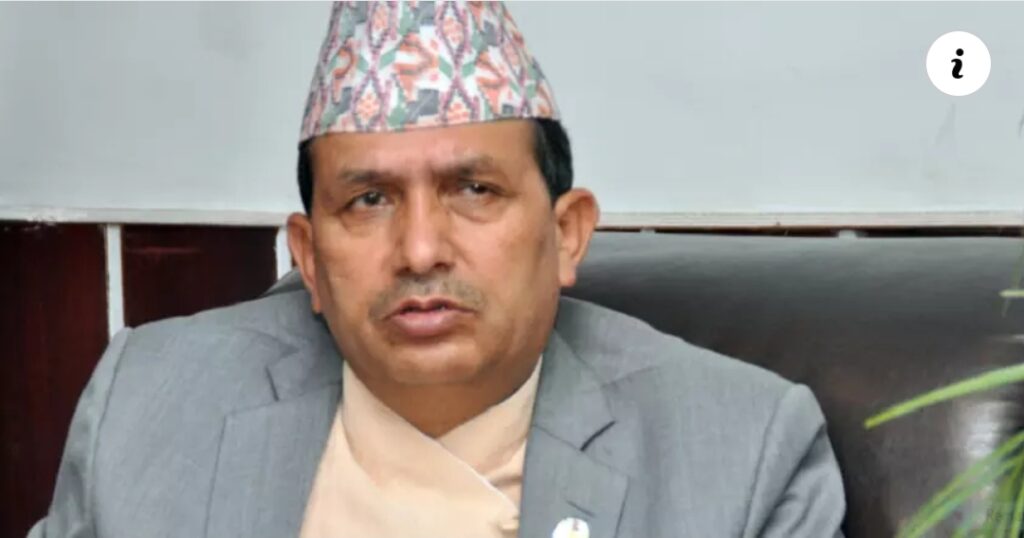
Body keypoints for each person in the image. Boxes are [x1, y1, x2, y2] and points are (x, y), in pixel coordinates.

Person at [29, 2, 845, 537]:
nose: (420, 250)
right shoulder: (151, 407)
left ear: (567, 234)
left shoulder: (740, 452)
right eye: (369, 201)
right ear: (308, 259)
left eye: (474, 190)